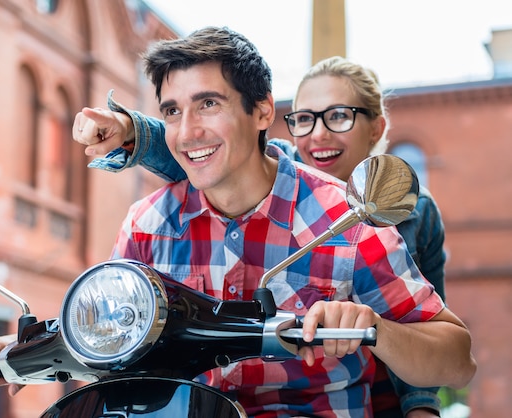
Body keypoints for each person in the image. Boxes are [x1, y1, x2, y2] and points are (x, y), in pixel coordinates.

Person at [0, 27, 475, 417]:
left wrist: (376, 329)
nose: (187, 132)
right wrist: (27, 352)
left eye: (207, 103)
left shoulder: (344, 217)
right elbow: (119, 344)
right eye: (171, 111)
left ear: (261, 112)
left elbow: (456, 360)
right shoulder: (146, 223)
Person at [74, 56, 447, 417]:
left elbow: (435, 338)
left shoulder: (397, 214)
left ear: (376, 129)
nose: (318, 135)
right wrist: (129, 130)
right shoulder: (174, 205)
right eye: (303, 119)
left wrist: (420, 404)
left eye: (338, 117)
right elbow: (196, 150)